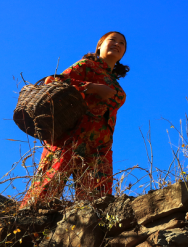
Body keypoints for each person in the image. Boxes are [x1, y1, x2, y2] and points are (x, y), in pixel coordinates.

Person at [22, 32, 128, 205]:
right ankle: (22, 228)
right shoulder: (87, 65)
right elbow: (53, 83)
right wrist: (91, 87)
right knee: (45, 189)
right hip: (70, 136)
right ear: (99, 45)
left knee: (96, 201)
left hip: (100, 147)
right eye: (112, 40)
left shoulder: (115, 84)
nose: (117, 44)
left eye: (122, 43)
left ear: (123, 54)